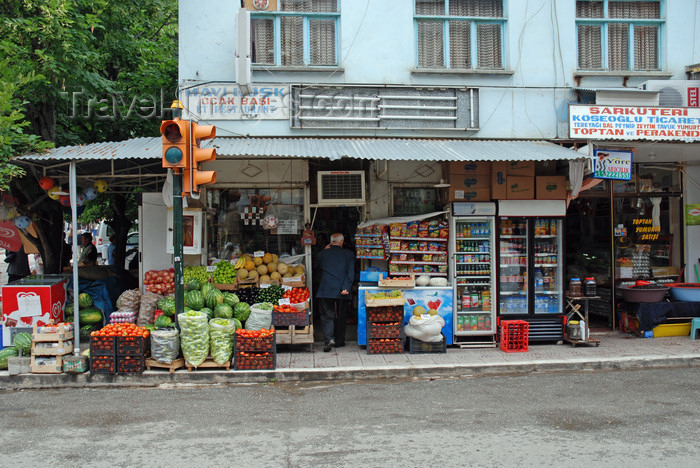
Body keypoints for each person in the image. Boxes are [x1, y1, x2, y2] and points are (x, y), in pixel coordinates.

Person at [314, 233, 355, 352]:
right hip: (342, 289)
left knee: (327, 315)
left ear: (331, 242)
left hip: (326, 289)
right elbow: (350, 273)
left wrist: (323, 251)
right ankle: (340, 341)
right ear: (341, 242)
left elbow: (316, 268)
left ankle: (329, 339)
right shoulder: (348, 254)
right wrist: (346, 287)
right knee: (341, 315)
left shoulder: (322, 254)